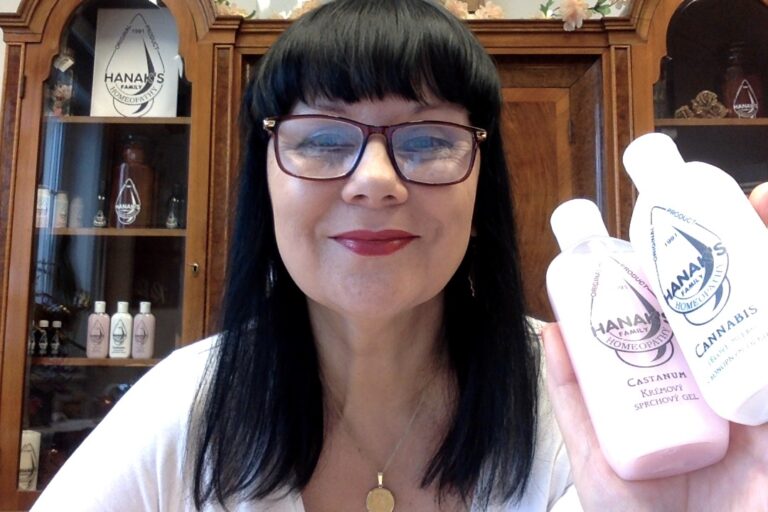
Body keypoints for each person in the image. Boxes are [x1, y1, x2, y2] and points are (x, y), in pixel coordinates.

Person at [32, 1, 768, 511]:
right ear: (266, 182)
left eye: (428, 140)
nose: (376, 181)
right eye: (324, 140)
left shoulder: (597, 410)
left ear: (480, 185)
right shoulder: (183, 411)